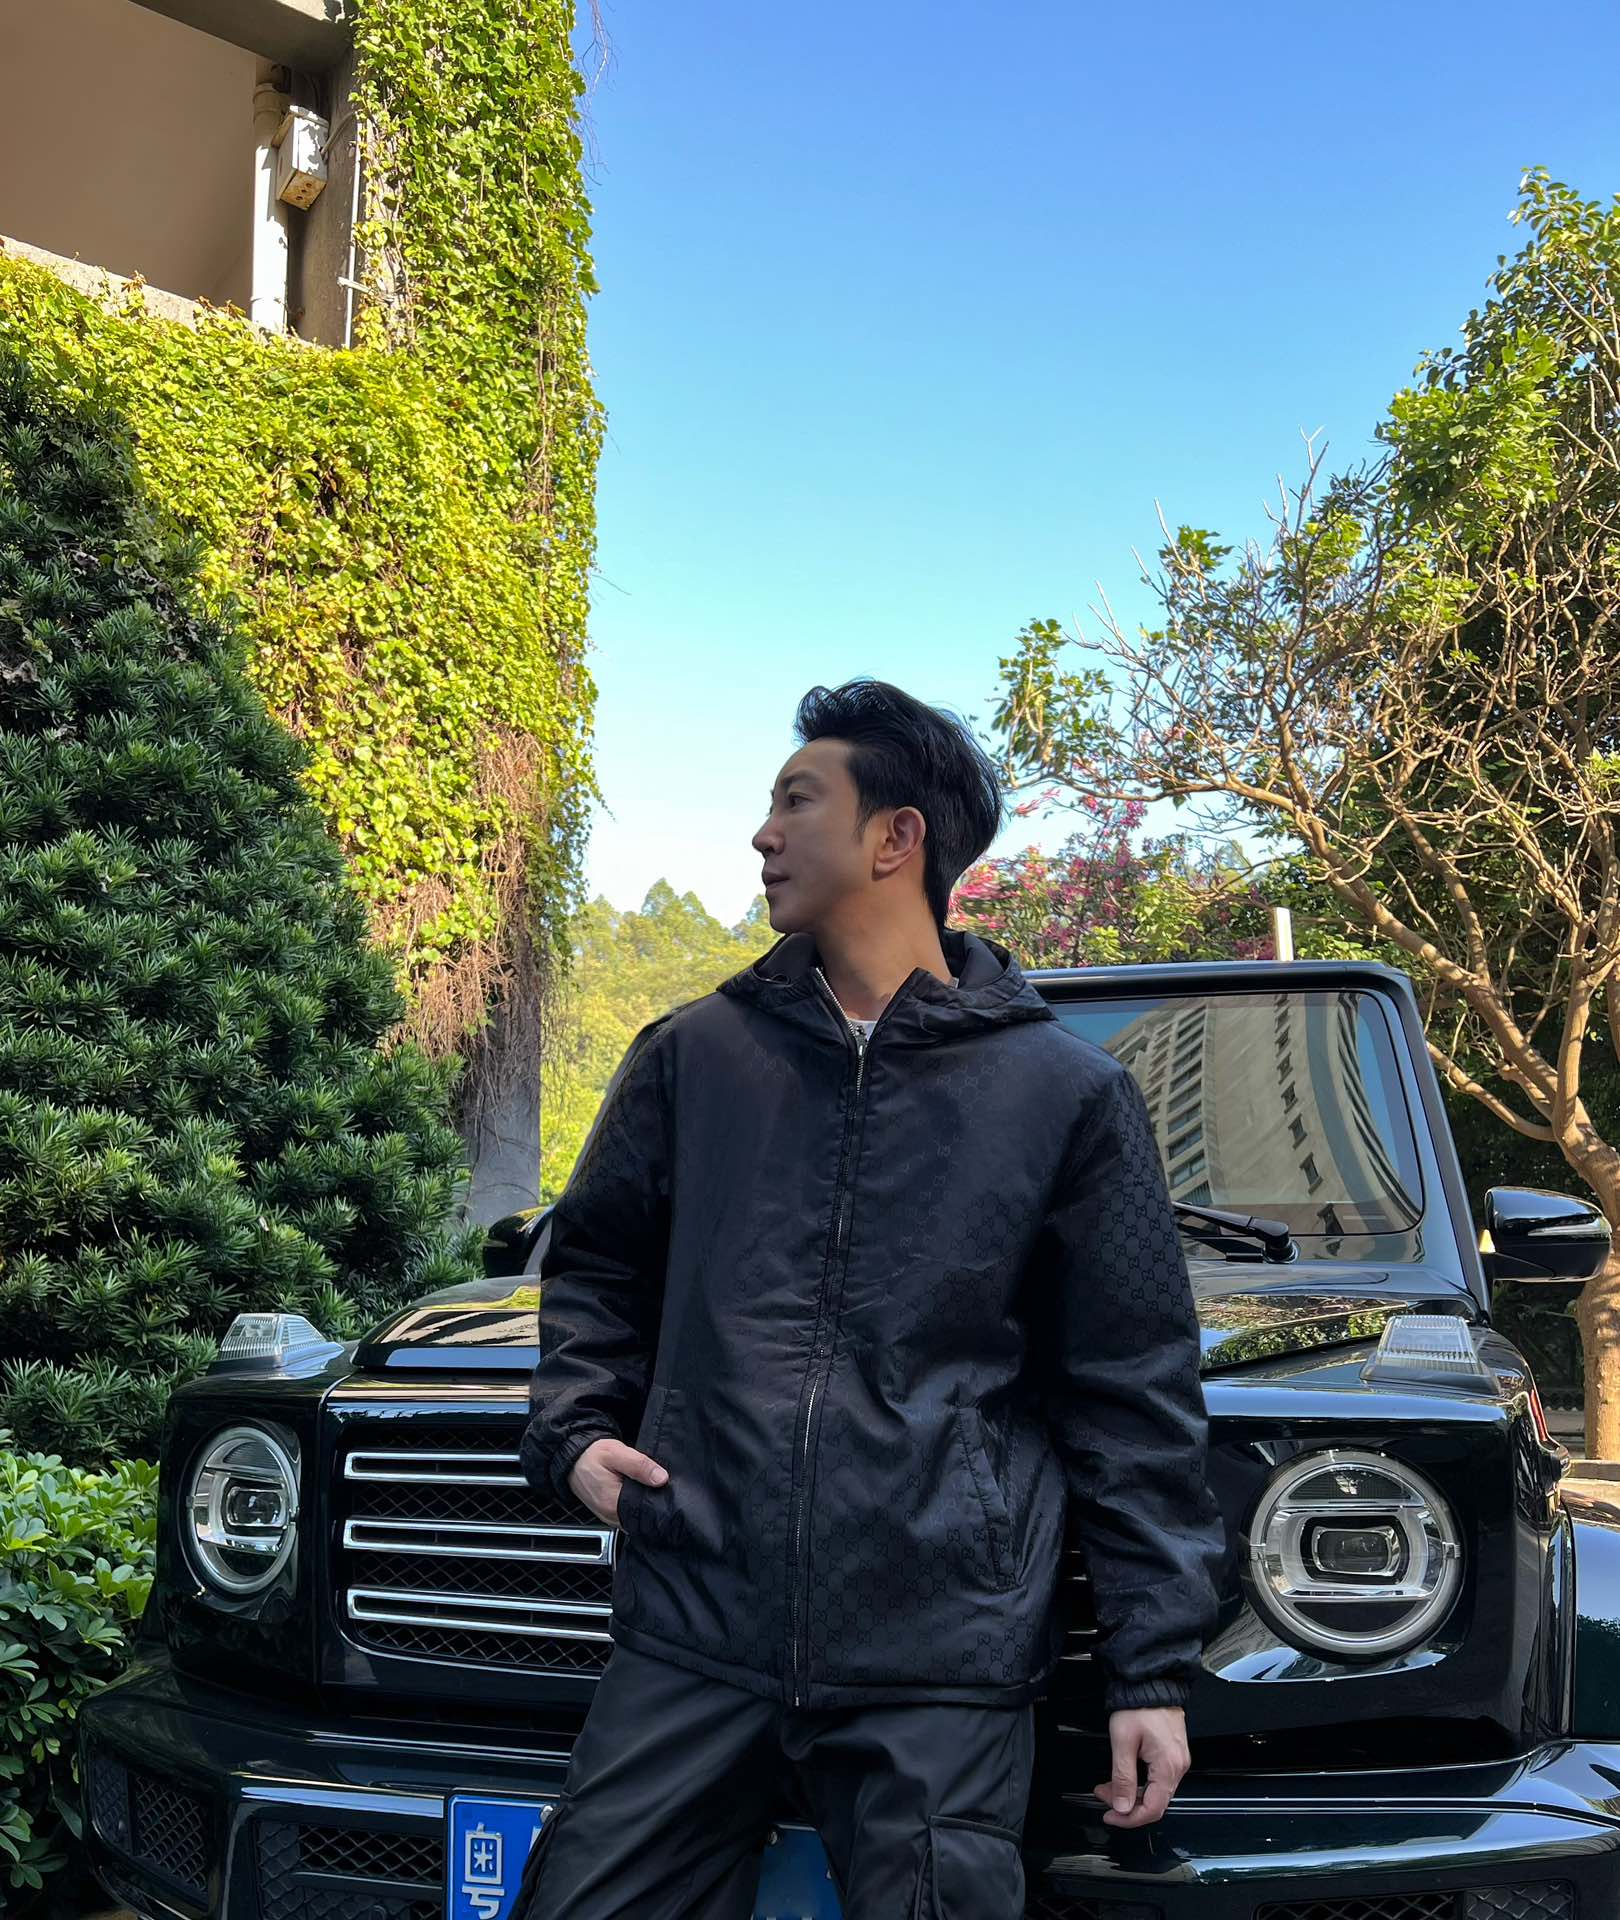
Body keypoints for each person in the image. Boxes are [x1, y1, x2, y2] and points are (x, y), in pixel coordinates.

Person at [516, 678, 1227, 1919]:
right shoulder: (694, 1057)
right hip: (696, 1626)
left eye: (798, 801)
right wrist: (574, 1429)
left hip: (940, 1653)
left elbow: (1130, 1389)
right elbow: (598, 1267)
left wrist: (1149, 1671)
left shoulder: (1064, 1095)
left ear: (897, 838)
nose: (763, 834)